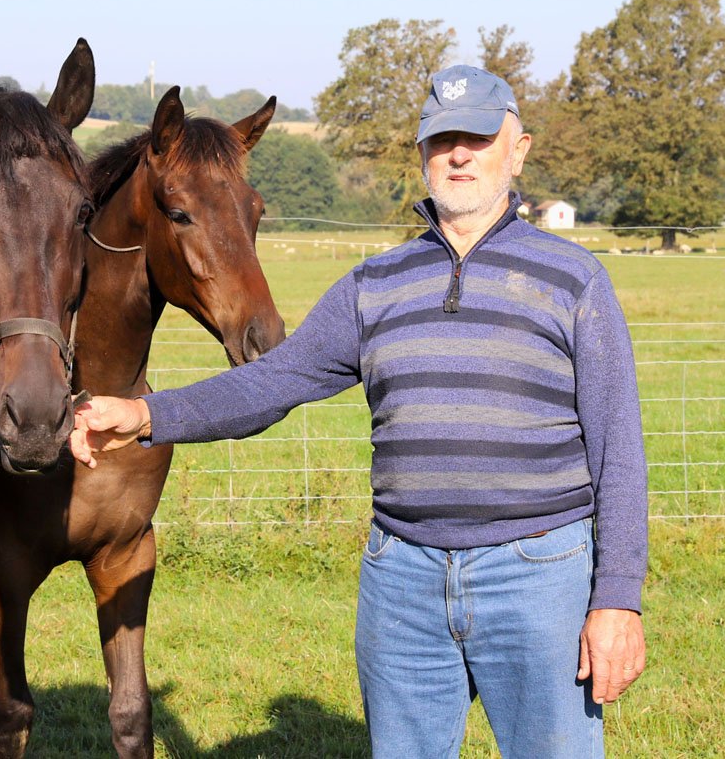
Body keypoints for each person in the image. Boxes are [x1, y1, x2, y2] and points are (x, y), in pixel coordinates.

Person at [70, 65, 647, 758]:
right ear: (423, 154)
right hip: (402, 581)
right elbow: (272, 381)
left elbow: (619, 450)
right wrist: (144, 415)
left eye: (478, 138)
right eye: (442, 140)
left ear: (516, 150)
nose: (459, 156)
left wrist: (617, 599)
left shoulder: (574, 280)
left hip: (537, 574)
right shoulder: (374, 284)